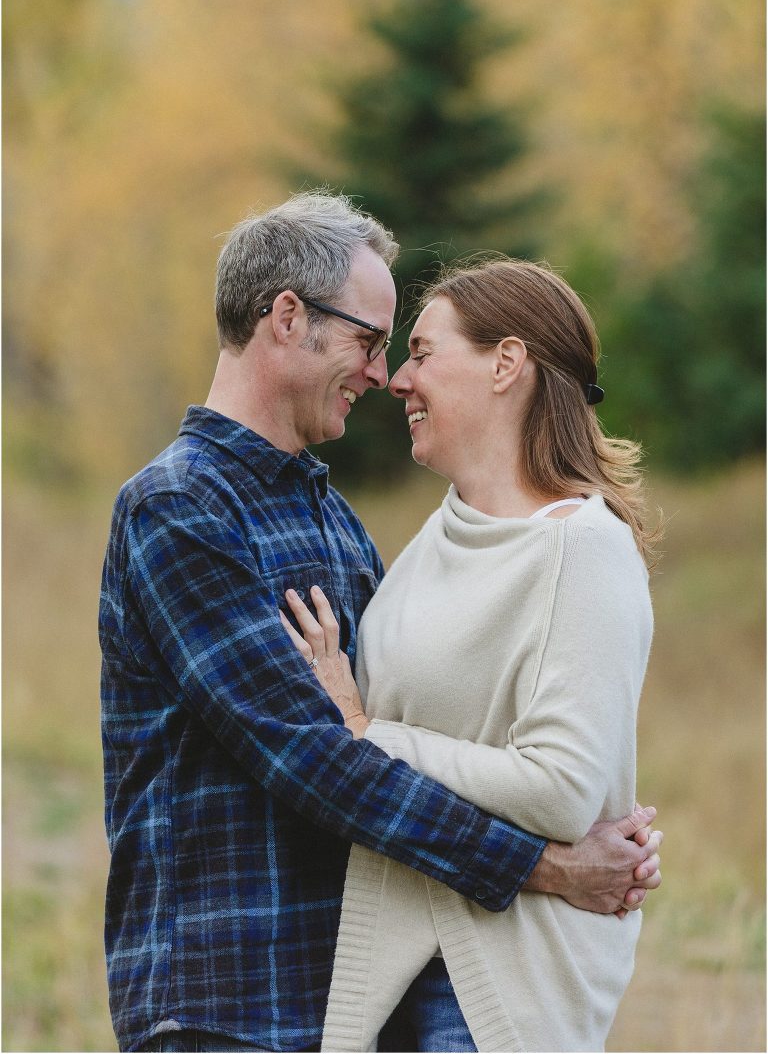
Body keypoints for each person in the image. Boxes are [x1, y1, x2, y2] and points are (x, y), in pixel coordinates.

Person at [100, 194, 662, 1054]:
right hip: (224, 996)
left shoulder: (334, 521)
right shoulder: (179, 508)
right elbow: (318, 756)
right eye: (368, 339)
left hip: (351, 998)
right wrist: (550, 867)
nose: (380, 371)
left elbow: (398, 729)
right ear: (288, 318)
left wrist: (584, 813)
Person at [281, 257, 661, 1052]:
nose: (397, 379)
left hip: (495, 987)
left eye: (421, 351)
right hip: (389, 967)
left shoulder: (584, 549)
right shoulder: (433, 538)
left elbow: (559, 790)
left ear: (507, 363)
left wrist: (366, 732)